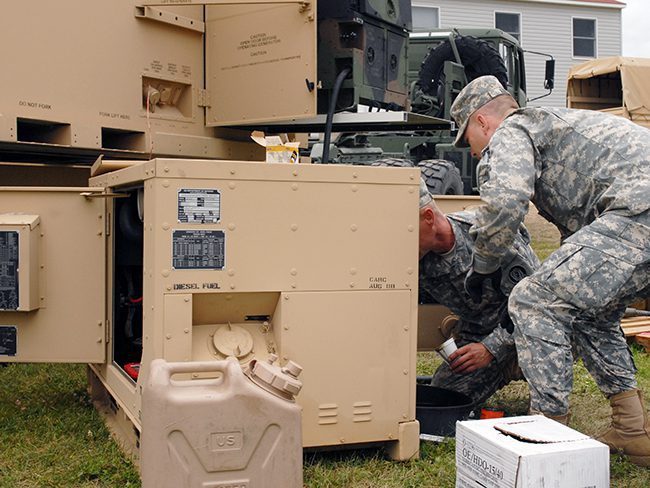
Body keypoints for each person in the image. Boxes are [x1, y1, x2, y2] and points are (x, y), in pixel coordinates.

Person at [450, 75, 650, 466]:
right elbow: (580, 238)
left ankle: (548, 433)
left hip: (637, 211)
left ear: (482, 122)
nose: (472, 153)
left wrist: (484, 264)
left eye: (468, 139)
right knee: (592, 312)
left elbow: (506, 203)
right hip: (636, 213)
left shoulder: (513, 129)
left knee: (533, 299)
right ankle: (632, 429)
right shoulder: (555, 129)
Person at [418, 179, 539, 405]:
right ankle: (503, 367)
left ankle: (524, 369)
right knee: (444, 396)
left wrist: (491, 349)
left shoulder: (488, 234)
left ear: (428, 217)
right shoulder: (417, 258)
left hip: (530, 329)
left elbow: (536, 304)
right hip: (479, 333)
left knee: (550, 346)